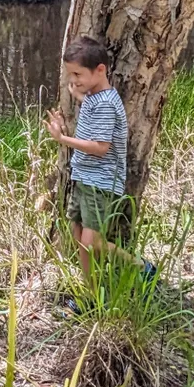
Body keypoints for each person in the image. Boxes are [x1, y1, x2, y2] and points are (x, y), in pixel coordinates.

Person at [43, 36, 153, 282]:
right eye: (70, 75)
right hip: (85, 178)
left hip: (99, 183)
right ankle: (89, 290)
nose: (73, 80)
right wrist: (80, 96)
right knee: (79, 236)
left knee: (92, 242)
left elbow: (101, 147)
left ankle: (140, 266)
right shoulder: (96, 97)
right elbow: (95, 109)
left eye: (78, 74)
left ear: (100, 70)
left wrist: (62, 139)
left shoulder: (104, 104)